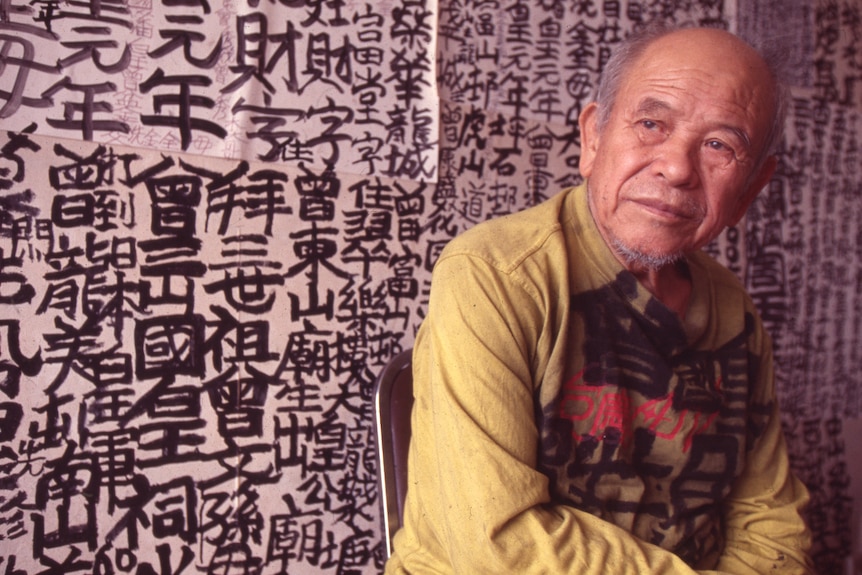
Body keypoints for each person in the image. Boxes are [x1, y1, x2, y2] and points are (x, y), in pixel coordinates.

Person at [384, 24, 815, 574]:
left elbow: (771, 521)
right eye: (651, 123)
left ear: (751, 189)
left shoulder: (733, 311)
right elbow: (501, 545)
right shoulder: (495, 276)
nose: (677, 167)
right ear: (593, 138)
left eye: (719, 146)